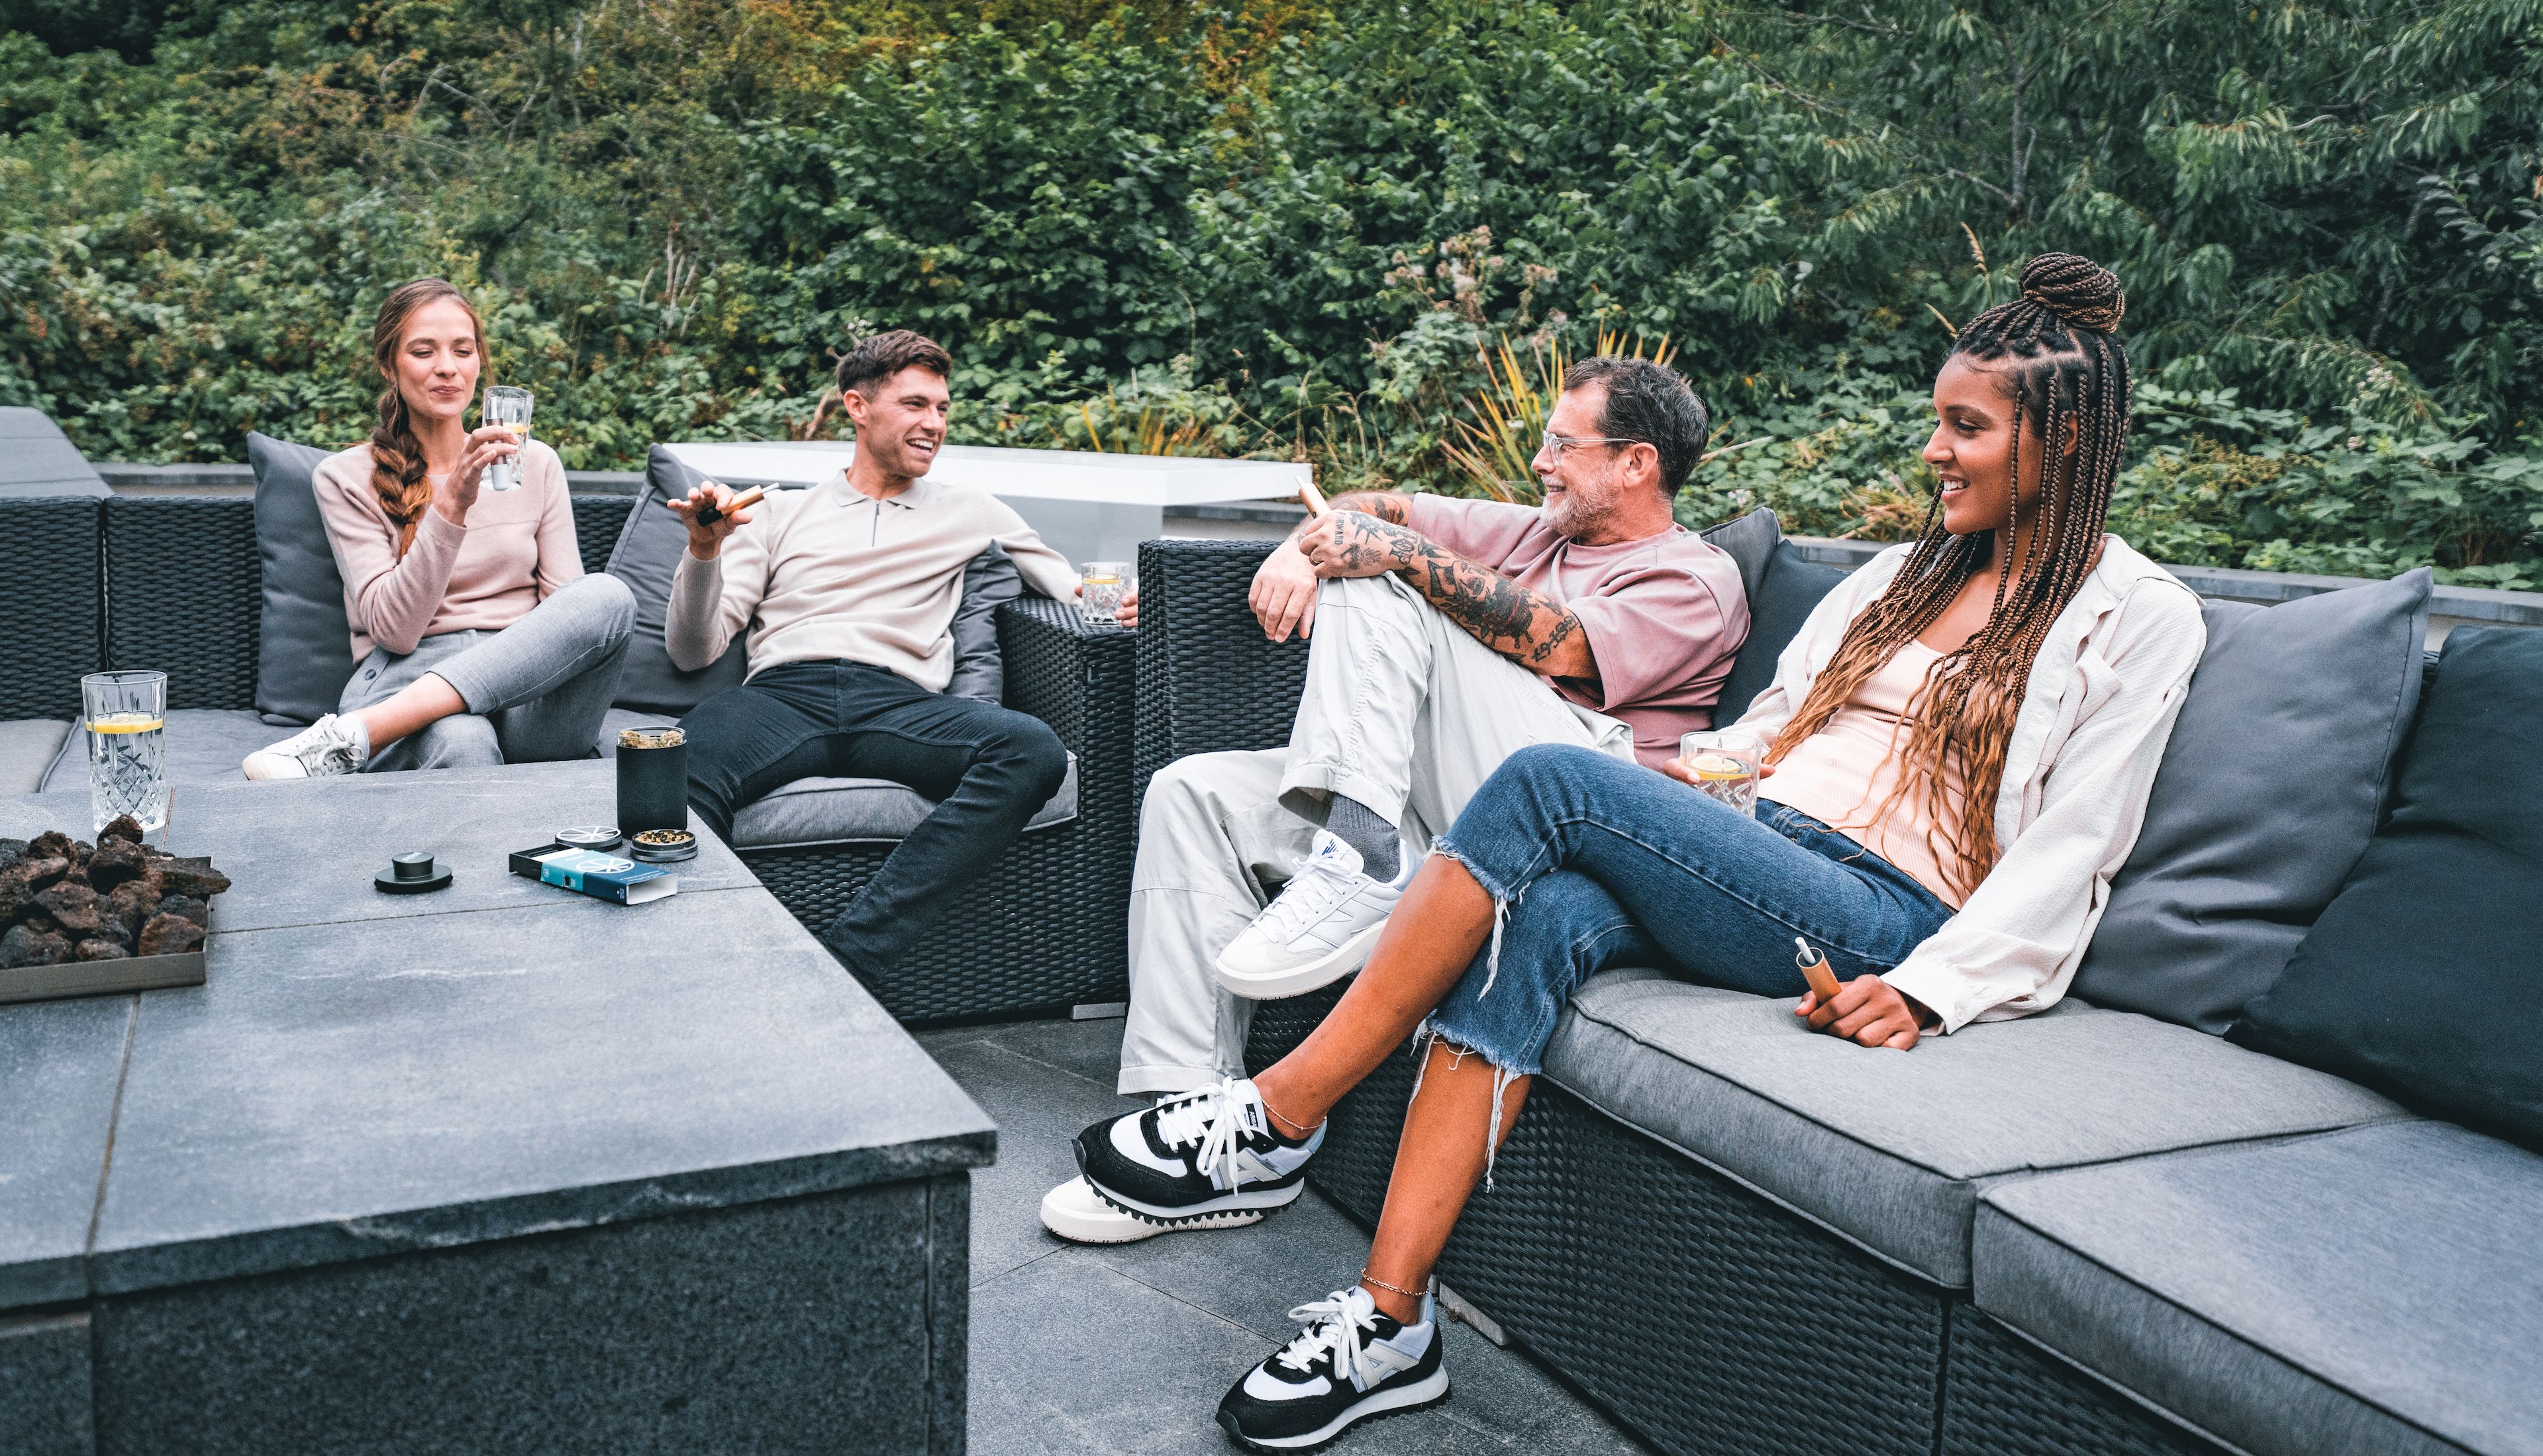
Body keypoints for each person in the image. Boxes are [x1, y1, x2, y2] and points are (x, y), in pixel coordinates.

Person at [1068, 254, 2209, 1449]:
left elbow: (2079, 837)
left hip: (1882, 910)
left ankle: (1277, 1113)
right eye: (1936, 421)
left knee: (1547, 778)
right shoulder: (1898, 577)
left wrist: (1932, 987)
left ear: (2065, 444)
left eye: (1963, 427)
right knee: (1542, 908)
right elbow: (1771, 732)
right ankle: (1389, 1317)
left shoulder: (2138, 613)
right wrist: (1675, 786)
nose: (1933, 450)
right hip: (1758, 845)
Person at [1040, 356, 1751, 1244]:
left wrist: (1390, 556)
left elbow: (1561, 645)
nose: (1540, 461)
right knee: (1195, 792)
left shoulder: (1694, 577)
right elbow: (1373, 504)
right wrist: (1297, 550)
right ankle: (1203, 1126)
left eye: (1562, 445)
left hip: (1578, 808)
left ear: (1636, 462)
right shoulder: (1537, 533)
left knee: (1388, 576)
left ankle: (1363, 852)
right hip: (1441, 790)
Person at [666, 329, 1077, 979]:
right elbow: (694, 652)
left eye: (942, 409)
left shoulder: (972, 510)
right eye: (915, 405)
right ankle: (702, 967)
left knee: (1032, 750)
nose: (934, 424)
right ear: (857, 406)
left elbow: (1073, 589)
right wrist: (704, 551)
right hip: (781, 696)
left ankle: (851, 963)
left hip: (899, 704)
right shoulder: (774, 512)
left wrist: (1124, 601)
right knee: (666, 772)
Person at [245, 279, 636, 779]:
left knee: (606, 595)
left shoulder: (534, 463)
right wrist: (451, 505)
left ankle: (355, 737)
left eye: (463, 350)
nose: (448, 367)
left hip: (530, 700)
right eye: (424, 351)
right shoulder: (344, 478)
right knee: (463, 740)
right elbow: (395, 630)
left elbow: (569, 617)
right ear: (389, 366)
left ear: (479, 364)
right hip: (407, 683)